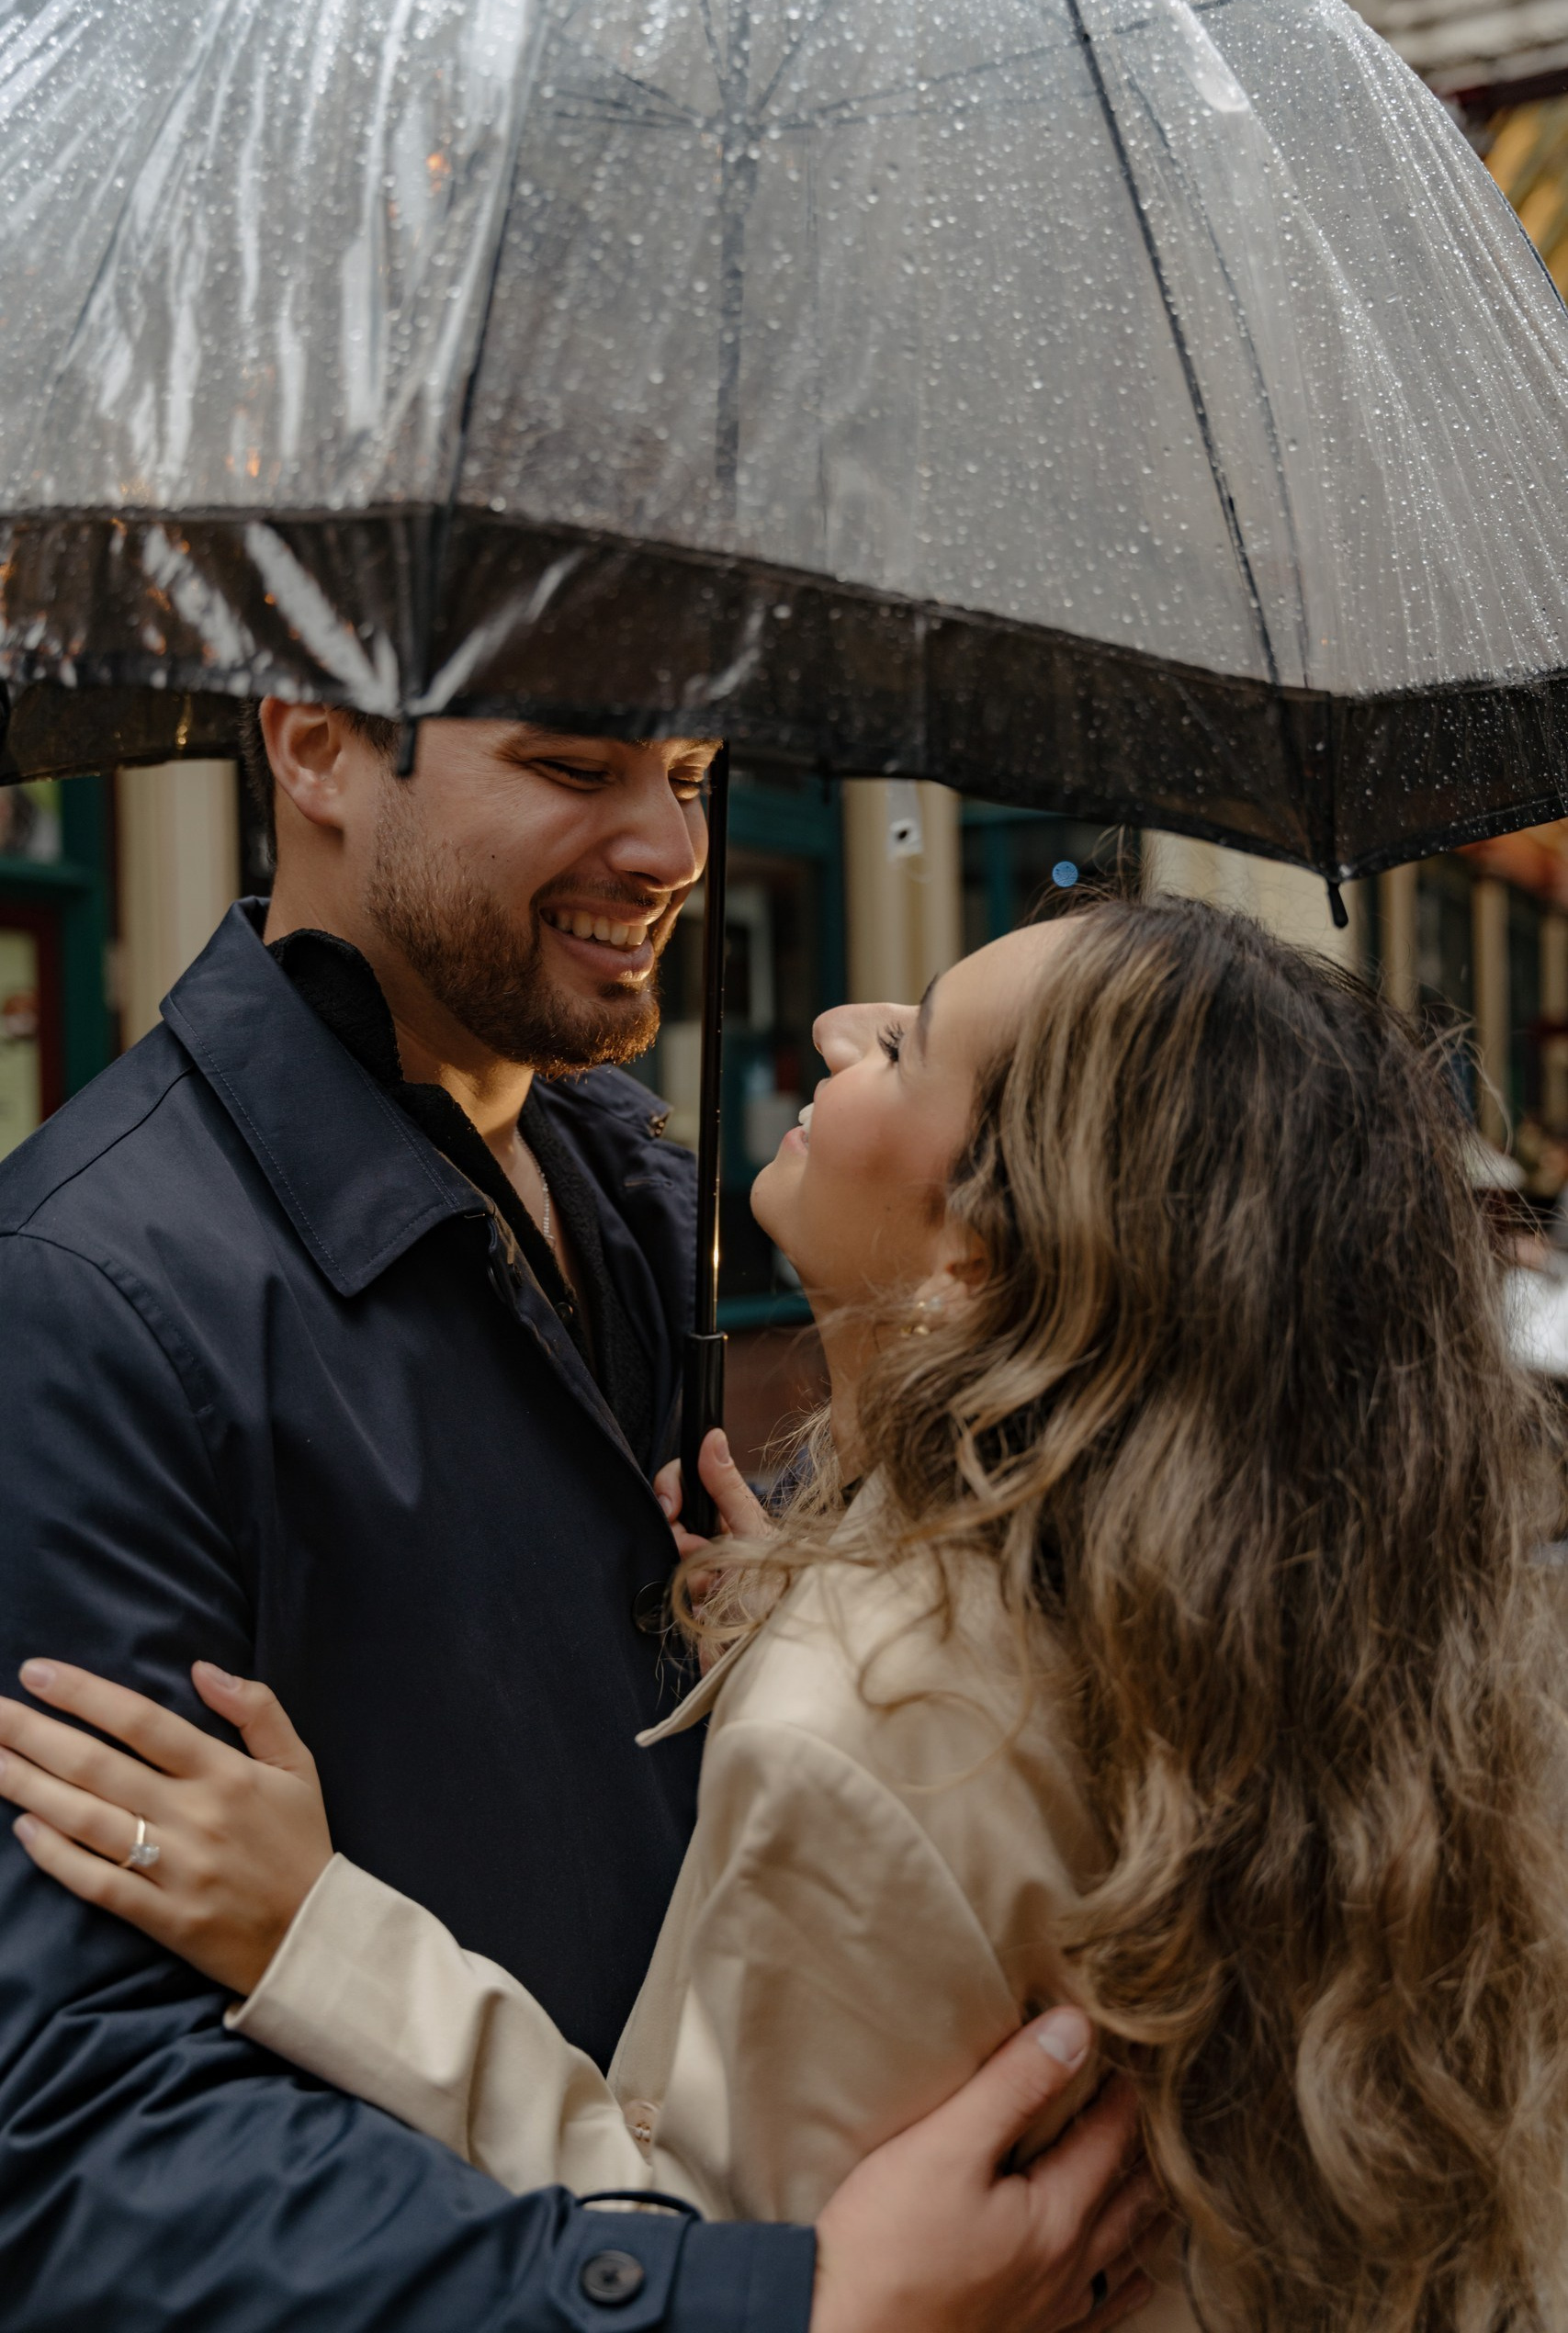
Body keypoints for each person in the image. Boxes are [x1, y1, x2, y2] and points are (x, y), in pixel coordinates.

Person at [9, 891, 1568, 2328]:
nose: (836, 1028)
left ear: (980, 1260)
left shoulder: (877, 1717)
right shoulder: (1267, 1594)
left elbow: (721, 2253)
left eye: (908, 1046)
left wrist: (320, 1936)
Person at [0, 703, 1156, 2333]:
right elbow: (77, 2159)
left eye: (685, 780)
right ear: (318, 749)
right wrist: (752, 2305)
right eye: (573, 767)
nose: (672, 851)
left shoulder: (637, 1204)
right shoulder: (81, 1301)